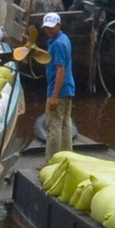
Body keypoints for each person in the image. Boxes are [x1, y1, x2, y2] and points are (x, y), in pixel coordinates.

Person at [41, 11, 74, 158]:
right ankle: (67, 157)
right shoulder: (63, 38)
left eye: (52, 27)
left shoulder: (58, 44)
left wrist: (54, 96)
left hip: (58, 90)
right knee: (65, 124)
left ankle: (51, 161)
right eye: (46, 28)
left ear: (59, 25)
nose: (48, 30)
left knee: (53, 126)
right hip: (68, 89)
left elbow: (61, 70)